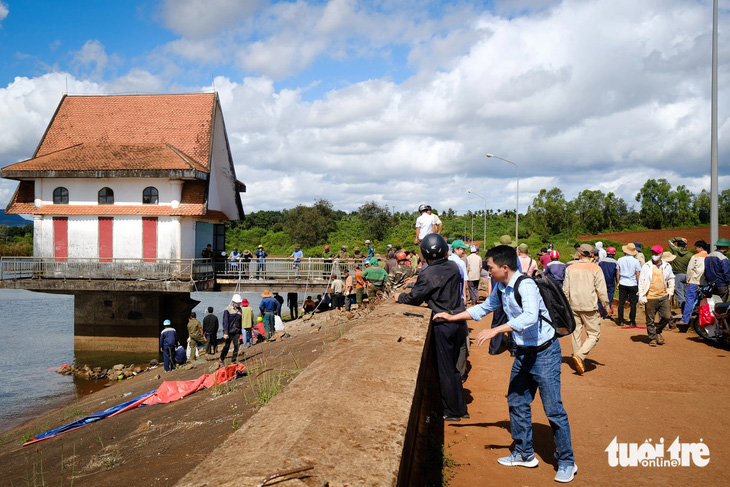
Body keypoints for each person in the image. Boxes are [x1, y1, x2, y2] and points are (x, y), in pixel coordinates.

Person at [433, 244, 576, 483]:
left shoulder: (526, 285)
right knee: (517, 401)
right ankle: (524, 452)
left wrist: (496, 329)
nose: (488, 272)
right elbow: (485, 308)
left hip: (545, 353)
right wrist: (453, 316)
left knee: (553, 410)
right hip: (523, 353)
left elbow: (530, 317)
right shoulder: (501, 286)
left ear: (505, 267)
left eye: (490, 268)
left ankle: (567, 461)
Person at [394, 234, 469, 422]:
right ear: (445, 250)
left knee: (445, 369)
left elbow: (415, 297)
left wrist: (400, 297)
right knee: (453, 368)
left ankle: (452, 412)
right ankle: (460, 408)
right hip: (459, 320)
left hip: (443, 323)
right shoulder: (453, 267)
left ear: (425, 253)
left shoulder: (427, 273)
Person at [563, 243, 609, 375]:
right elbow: (601, 290)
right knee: (594, 334)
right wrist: (606, 306)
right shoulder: (596, 268)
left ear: (579, 253)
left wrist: (565, 306)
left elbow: (565, 290)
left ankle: (579, 359)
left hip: (573, 306)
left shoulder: (570, 268)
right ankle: (581, 356)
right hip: (590, 306)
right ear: (592, 255)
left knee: (576, 333)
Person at [637, 245, 675, 347]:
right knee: (650, 319)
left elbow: (671, 278)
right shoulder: (646, 266)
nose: (654, 255)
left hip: (663, 295)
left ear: (661, 254)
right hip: (650, 296)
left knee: (667, 317)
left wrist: (671, 291)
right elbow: (641, 281)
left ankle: (658, 330)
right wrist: (641, 295)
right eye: (653, 253)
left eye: (656, 253)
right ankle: (652, 338)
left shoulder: (667, 266)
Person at [679, 240, 709, 325]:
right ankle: (702, 320)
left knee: (690, 301)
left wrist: (688, 280)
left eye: (696, 248)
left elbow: (690, 270)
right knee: (703, 302)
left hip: (694, 281)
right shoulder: (709, 257)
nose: (695, 250)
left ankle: (685, 320)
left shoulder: (695, 257)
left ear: (700, 248)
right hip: (705, 283)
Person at [615, 242, 642, 327]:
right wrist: (639, 285)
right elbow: (638, 274)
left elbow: (618, 273)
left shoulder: (620, 260)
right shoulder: (636, 261)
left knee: (621, 302)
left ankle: (621, 321)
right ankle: (632, 321)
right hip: (633, 284)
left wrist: (618, 282)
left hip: (623, 282)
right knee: (633, 303)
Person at [668, 237, 692, 313]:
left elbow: (669, 241)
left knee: (679, 293)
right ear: (685, 246)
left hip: (677, 275)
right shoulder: (690, 255)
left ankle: (683, 309)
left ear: (677, 245)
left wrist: (679, 238)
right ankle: (688, 310)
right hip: (687, 275)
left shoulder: (675, 250)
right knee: (686, 294)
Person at [219, 294, 243, 365]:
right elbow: (225, 321)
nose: (238, 304)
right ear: (233, 302)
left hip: (236, 331)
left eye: (239, 303)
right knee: (227, 346)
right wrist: (225, 332)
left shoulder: (240, 310)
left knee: (236, 345)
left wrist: (241, 331)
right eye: (237, 303)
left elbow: (240, 321)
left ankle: (233, 360)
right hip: (229, 331)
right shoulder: (228, 309)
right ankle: (221, 358)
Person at [704, 238, 730, 302]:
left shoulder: (708, 256)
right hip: (721, 284)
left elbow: (705, 270)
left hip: (710, 285)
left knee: (713, 303)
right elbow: (726, 272)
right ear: (724, 247)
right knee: (721, 305)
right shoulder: (723, 258)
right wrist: (728, 283)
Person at [597, 247, 618, 318]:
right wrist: (617, 282)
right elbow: (617, 274)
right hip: (611, 283)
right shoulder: (615, 262)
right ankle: (607, 315)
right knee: (609, 298)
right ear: (614, 254)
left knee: (600, 298)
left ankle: (598, 314)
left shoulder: (601, 261)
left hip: (601, 282)